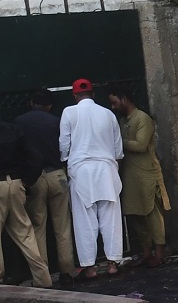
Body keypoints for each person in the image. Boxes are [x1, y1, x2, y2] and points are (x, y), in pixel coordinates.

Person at [0, 95, 52, 288]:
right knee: (26, 234)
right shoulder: (15, 129)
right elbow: (35, 158)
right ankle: (44, 278)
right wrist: (26, 182)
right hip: (16, 185)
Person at [58, 78, 125, 278]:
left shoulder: (69, 112)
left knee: (85, 221)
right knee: (111, 219)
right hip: (106, 169)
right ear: (93, 94)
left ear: (75, 95)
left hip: (82, 171)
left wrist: (66, 160)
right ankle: (113, 263)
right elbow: (118, 149)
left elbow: (64, 144)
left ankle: (90, 267)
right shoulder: (108, 114)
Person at [16, 91, 78, 281]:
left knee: (37, 226)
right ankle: (68, 270)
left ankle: (42, 276)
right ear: (50, 106)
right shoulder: (56, 122)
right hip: (57, 174)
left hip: (34, 178)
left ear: (31, 102)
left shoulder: (19, 122)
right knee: (63, 226)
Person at [107, 90, 167, 268]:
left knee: (152, 214)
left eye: (115, 102)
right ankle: (146, 252)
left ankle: (159, 253)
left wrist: (117, 142)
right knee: (136, 215)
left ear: (124, 99)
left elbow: (141, 145)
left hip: (146, 174)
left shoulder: (143, 119)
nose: (113, 107)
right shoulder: (123, 121)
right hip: (129, 175)